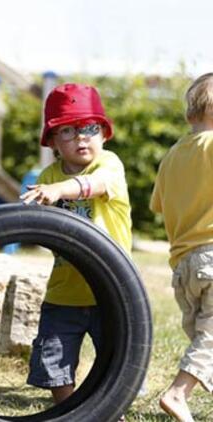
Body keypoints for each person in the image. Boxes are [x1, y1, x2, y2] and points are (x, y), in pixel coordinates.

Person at [20, 83, 132, 408]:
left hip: (111, 288)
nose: (82, 137)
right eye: (68, 131)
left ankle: (111, 409)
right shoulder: (48, 173)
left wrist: (59, 190)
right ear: (53, 142)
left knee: (117, 358)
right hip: (64, 290)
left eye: (89, 128)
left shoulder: (109, 165)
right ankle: (69, 411)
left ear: (104, 134)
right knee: (54, 357)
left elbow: (96, 186)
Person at [150, 73, 213, 422]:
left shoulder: (172, 156)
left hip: (183, 266)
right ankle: (177, 394)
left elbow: (159, 206)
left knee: (206, 340)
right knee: (211, 341)